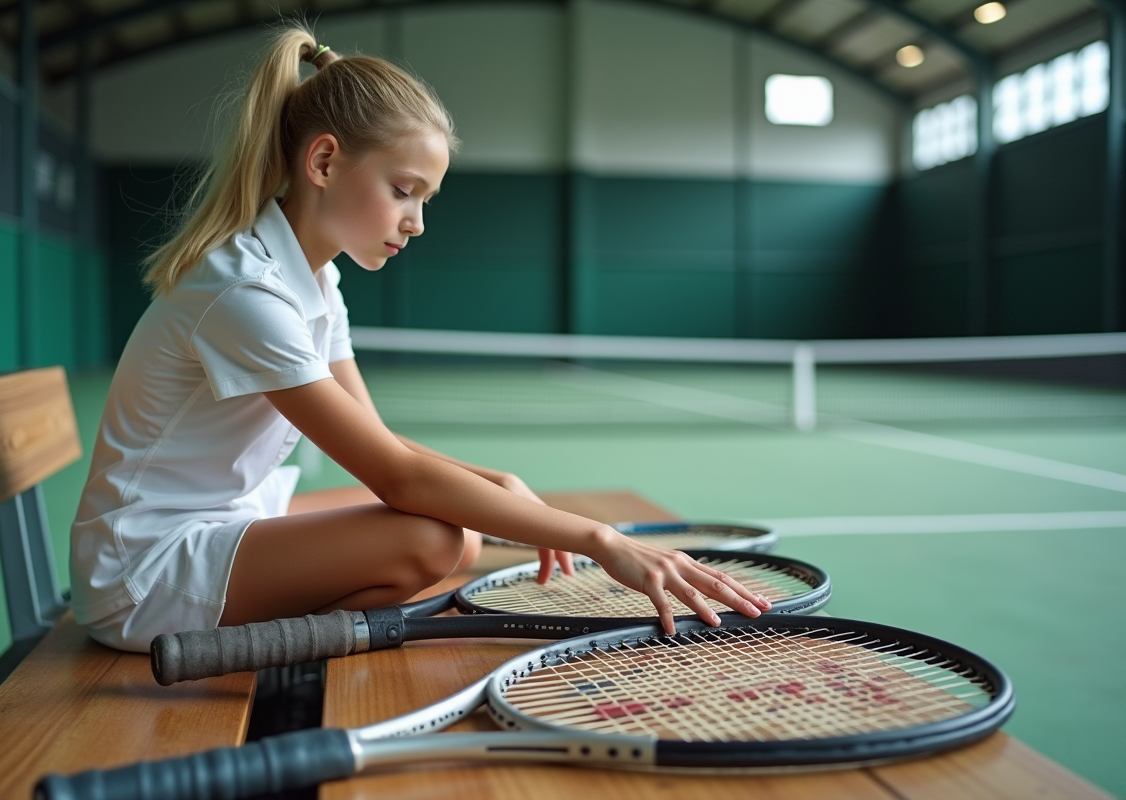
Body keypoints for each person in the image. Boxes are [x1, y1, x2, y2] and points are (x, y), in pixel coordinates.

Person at [69, 24, 770, 652]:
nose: (416, 223)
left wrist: (490, 483)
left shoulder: (316, 283)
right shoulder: (244, 293)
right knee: (433, 537)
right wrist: (596, 537)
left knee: (449, 527)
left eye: (425, 200)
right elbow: (395, 476)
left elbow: (377, 440)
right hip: (143, 573)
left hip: (228, 520)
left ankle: (291, 655)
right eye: (404, 190)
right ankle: (279, 665)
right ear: (323, 162)